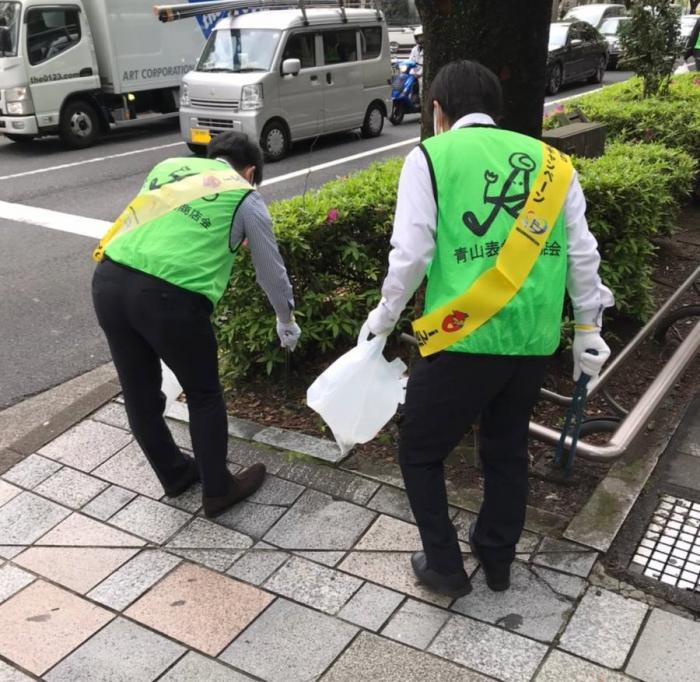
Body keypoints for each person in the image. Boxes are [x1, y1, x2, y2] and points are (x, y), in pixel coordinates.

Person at [362, 60, 613, 597]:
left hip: (460, 338)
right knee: (504, 448)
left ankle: (445, 567)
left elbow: (411, 253)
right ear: (496, 109)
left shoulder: (429, 155)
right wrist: (588, 327)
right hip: (531, 338)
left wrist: (381, 322)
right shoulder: (553, 163)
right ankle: (496, 558)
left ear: (438, 111)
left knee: (420, 452)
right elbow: (582, 254)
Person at [92, 131, 300, 518]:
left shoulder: (169, 167)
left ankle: (174, 475)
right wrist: (285, 319)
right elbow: (271, 273)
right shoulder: (245, 195)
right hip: (170, 299)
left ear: (212, 155)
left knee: (139, 393)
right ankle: (217, 490)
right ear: (251, 170)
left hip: (109, 280)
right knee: (204, 394)